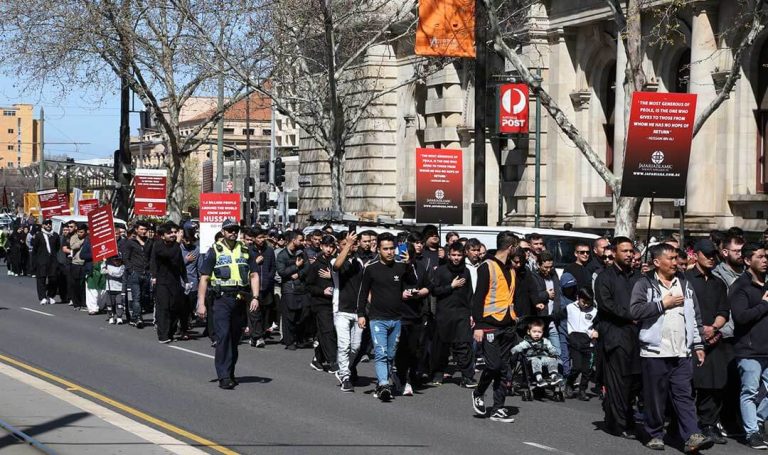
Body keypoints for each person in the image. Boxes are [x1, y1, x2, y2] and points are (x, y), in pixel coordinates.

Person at [630, 243, 713, 452]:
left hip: (682, 352)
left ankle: (692, 435)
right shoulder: (644, 284)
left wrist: (697, 344)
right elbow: (635, 311)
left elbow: (694, 316)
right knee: (655, 397)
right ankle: (654, 433)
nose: (676, 262)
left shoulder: (684, 284)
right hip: (655, 352)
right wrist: (662, 304)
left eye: (677, 258)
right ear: (657, 262)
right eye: (671, 258)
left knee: (684, 395)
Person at [196, 219, 260, 390]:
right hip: (221, 299)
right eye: (230, 230)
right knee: (223, 337)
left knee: (234, 338)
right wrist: (201, 303)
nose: (233, 232)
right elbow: (204, 278)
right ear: (223, 232)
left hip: (240, 299)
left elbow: (254, 275)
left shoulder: (245, 250)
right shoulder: (215, 250)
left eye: (236, 230)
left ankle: (230, 372)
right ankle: (223, 376)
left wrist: (255, 297)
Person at [594, 236, 642, 439]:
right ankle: (619, 423)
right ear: (614, 252)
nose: (629, 255)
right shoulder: (605, 277)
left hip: (637, 336)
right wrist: (630, 316)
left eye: (631, 251)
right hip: (616, 334)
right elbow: (606, 304)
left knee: (635, 382)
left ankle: (624, 416)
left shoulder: (639, 277)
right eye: (625, 251)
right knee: (618, 382)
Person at [685, 239, 731, 445]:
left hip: (714, 340)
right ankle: (686, 425)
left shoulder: (718, 283)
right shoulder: (683, 279)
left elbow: (724, 311)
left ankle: (709, 424)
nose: (712, 258)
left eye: (714, 254)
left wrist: (713, 327)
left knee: (714, 384)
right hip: (688, 341)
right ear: (696, 255)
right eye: (707, 254)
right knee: (689, 384)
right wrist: (698, 331)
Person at [471, 231, 519, 423]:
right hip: (489, 323)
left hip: (507, 325)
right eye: (517, 248)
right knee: (493, 365)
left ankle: (498, 407)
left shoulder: (512, 269)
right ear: (511, 247)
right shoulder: (487, 267)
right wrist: (478, 326)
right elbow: (478, 298)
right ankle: (479, 392)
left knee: (504, 368)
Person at [356, 232, 406, 401]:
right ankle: (384, 384)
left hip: (397, 319)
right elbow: (362, 293)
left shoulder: (401, 266)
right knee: (381, 353)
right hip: (377, 319)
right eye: (386, 249)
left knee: (391, 355)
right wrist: (361, 314)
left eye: (392, 248)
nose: (390, 252)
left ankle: (381, 382)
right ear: (378, 249)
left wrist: (410, 264)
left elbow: (413, 284)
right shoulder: (370, 268)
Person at [729, 243, 768, 449]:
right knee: (750, 392)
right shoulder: (740, 287)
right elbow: (741, 317)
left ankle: (758, 422)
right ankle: (752, 432)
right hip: (749, 350)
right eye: (760, 257)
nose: (764, 260)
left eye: (765, 256)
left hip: (767, 348)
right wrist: (764, 304)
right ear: (747, 261)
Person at [430, 243, 476, 388]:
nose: (456, 258)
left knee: (464, 345)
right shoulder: (441, 271)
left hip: (462, 313)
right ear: (449, 255)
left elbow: (470, 294)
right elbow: (435, 290)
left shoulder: (466, 271)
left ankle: (467, 377)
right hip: (444, 313)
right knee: (442, 345)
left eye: (459, 255)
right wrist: (451, 286)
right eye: (454, 255)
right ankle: (438, 374)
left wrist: (471, 314)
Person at [396, 237, 431, 393]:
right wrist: (401, 294)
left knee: (414, 349)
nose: (407, 258)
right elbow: (389, 288)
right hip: (399, 314)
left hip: (416, 313)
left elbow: (428, 286)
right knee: (402, 348)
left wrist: (418, 293)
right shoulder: (396, 268)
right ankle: (402, 378)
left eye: (410, 255)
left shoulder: (420, 267)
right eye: (405, 255)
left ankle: (412, 375)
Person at [305, 234, 339, 372]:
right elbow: (308, 285)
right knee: (328, 331)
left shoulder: (336, 263)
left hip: (335, 302)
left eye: (331, 247)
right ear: (321, 246)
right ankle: (332, 362)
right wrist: (322, 291)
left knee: (324, 333)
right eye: (326, 246)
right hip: (320, 304)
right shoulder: (316, 265)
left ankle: (317, 359)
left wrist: (332, 276)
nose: (329, 249)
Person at [150, 222, 187, 343]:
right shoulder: (158, 245)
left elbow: (180, 264)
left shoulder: (176, 246)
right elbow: (168, 255)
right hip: (162, 282)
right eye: (169, 233)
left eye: (174, 232)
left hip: (175, 282)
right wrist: (154, 276)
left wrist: (185, 280)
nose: (173, 235)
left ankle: (170, 333)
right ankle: (163, 335)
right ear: (162, 235)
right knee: (163, 308)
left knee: (175, 308)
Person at [563, 287, 598, 401]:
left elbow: (599, 325)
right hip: (575, 342)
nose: (586, 305)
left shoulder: (594, 311)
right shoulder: (569, 308)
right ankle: (569, 383)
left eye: (589, 302)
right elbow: (557, 316)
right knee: (576, 367)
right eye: (584, 302)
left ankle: (582, 390)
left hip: (589, 344)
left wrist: (596, 331)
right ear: (578, 298)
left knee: (587, 370)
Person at [276, 230, 309, 350]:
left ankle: (299, 338)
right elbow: (281, 272)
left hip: (302, 288)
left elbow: (307, 268)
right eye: (301, 240)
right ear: (293, 240)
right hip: (289, 289)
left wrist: (299, 274)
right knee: (289, 316)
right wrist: (295, 267)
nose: (303, 242)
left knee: (303, 314)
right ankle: (289, 341)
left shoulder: (302, 253)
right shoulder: (282, 255)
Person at [511, 318, 562, 388]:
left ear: (542, 332)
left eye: (539, 332)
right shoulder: (527, 342)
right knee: (536, 360)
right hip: (531, 359)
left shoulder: (545, 341)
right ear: (529, 332)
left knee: (552, 360)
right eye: (534, 332)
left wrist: (553, 352)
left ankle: (554, 377)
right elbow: (519, 347)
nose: (537, 334)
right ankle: (539, 379)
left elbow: (551, 348)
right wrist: (513, 350)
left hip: (543, 357)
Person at [122, 221, 151, 327]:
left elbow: (151, 258)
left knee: (144, 297)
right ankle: (138, 318)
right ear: (136, 230)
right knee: (136, 297)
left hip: (146, 274)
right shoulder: (130, 242)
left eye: (145, 230)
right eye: (141, 229)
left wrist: (150, 271)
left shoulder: (149, 242)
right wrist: (131, 270)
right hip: (135, 273)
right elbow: (125, 258)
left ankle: (135, 317)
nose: (144, 231)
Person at [31, 219, 60, 305]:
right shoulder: (39, 235)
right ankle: (42, 297)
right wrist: (35, 262)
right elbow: (35, 249)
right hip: (42, 261)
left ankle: (50, 296)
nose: (48, 226)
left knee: (53, 279)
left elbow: (57, 247)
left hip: (52, 261)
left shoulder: (55, 235)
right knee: (41, 279)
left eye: (49, 224)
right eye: (46, 224)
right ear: (43, 225)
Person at [67, 224, 88, 311]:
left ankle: (84, 303)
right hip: (76, 263)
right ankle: (76, 303)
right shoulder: (74, 237)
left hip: (85, 264)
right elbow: (73, 246)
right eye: (78, 232)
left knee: (83, 285)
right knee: (75, 284)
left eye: (82, 232)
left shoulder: (88, 238)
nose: (80, 233)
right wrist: (82, 241)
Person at [102, 254, 126, 325]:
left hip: (118, 289)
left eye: (118, 260)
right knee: (109, 304)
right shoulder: (108, 265)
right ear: (112, 260)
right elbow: (102, 271)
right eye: (115, 260)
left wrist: (109, 272)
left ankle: (119, 317)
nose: (117, 262)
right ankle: (111, 317)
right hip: (109, 288)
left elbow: (118, 274)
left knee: (119, 303)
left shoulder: (122, 267)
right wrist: (104, 263)